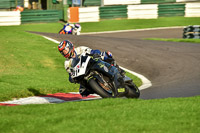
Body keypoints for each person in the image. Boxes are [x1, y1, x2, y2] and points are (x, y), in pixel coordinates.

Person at [58, 40, 125, 96]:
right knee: (82, 92)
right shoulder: (67, 63)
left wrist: (96, 54)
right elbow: (70, 74)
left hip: (91, 64)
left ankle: (117, 69)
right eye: (62, 52)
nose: (64, 53)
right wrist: (71, 78)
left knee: (105, 54)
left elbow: (92, 51)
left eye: (65, 50)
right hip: (82, 74)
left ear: (69, 47)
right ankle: (100, 90)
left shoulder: (80, 49)